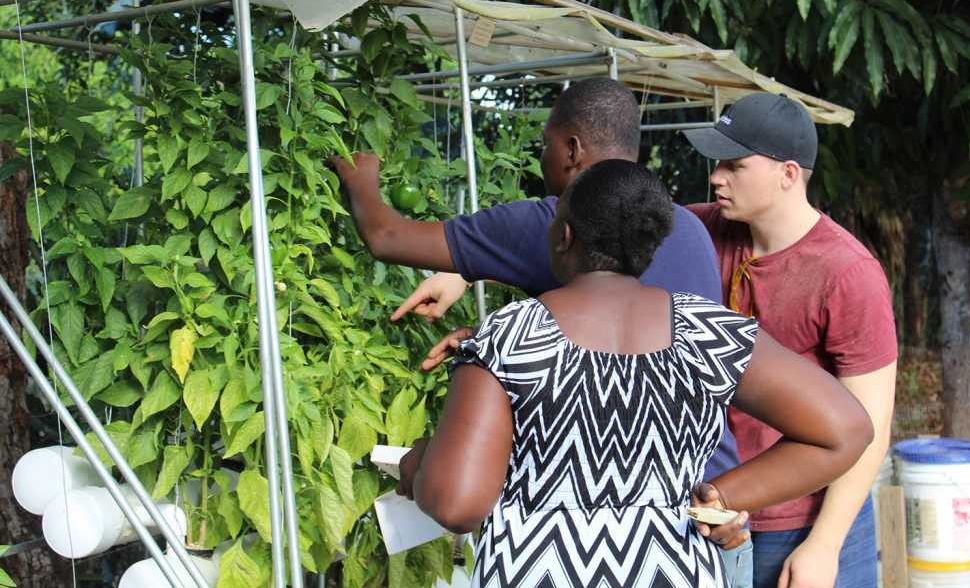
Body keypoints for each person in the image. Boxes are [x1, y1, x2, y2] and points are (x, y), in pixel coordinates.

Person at [328, 78, 755, 582]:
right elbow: (627, 349)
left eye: (546, 144)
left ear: (573, 150)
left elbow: (387, 235)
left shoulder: (553, 221)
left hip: (568, 542)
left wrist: (360, 176)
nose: (541, 158)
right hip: (705, 521)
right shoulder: (686, 229)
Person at [395, 159, 874, 588]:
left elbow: (456, 505)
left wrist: (418, 465)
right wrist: (723, 493)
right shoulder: (707, 331)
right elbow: (846, 431)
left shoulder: (509, 336)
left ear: (564, 236)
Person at [682, 92, 898, 588]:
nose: (717, 177)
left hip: (806, 521)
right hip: (712, 513)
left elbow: (871, 423)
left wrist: (825, 544)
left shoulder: (847, 272)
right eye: (718, 164)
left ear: (788, 173)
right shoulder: (697, 232)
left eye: (735, 166)